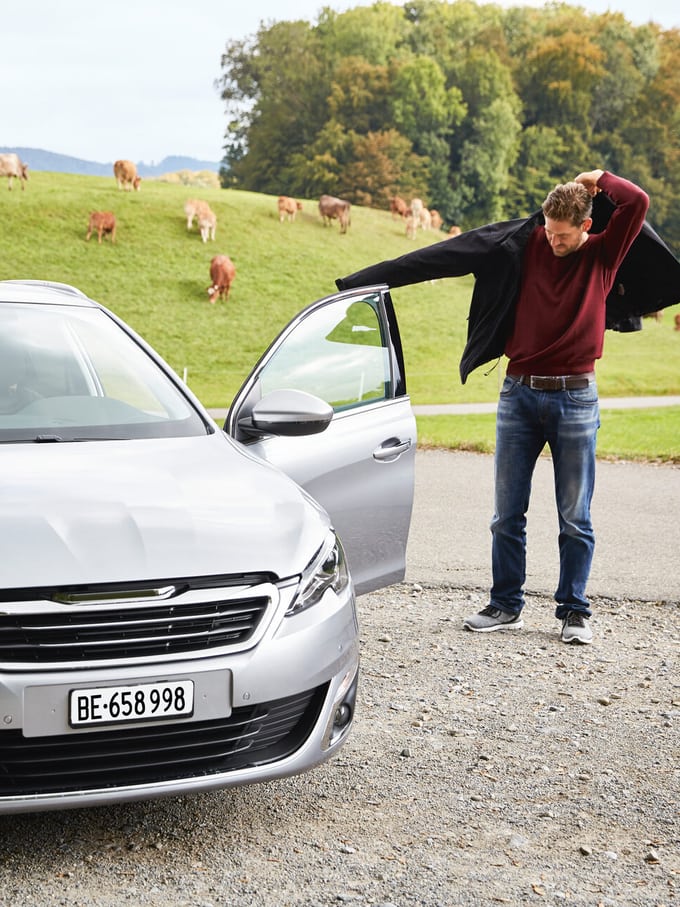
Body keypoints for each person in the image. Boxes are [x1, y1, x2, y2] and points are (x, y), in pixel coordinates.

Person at [336, 169, 655, 645]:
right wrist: (360, 284)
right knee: (507, 515)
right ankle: (506, 605)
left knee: (575, 516)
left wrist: (598, 177)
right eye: (549, 231)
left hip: (575, 397)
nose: (553, 242)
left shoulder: (604, 254)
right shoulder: (523, 244)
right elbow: (439, 257)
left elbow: (637, 202)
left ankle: (574, 611)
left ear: (586, 227)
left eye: (563, 235)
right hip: (518, 395)